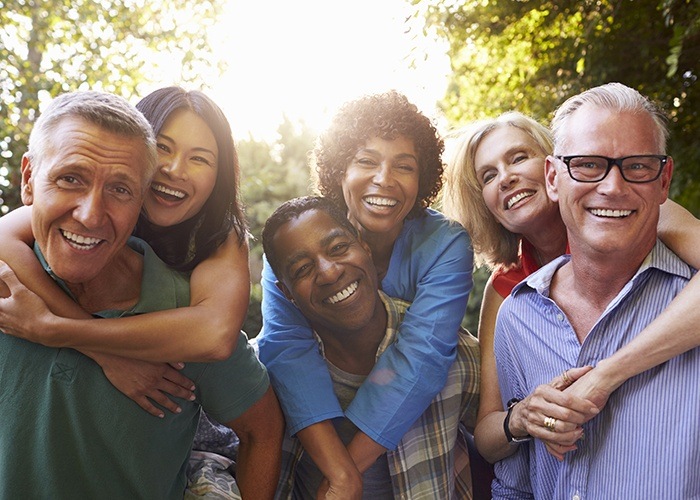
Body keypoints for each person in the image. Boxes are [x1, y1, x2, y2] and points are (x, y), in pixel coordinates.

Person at [0, 91, 283, 498]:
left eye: (120, 188)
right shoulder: (25, 261)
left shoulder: (214, 251)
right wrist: (99, 350)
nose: (174, 169)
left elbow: (217, 338)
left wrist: (53, 329)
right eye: (71, 179)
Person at [442, 109, 700, 464]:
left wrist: (606, 375)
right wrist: (522, 417)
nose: (505, 178)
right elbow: (487, 435)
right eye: (488, 175)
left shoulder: (628, 211)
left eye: (518, 158)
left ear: (554, 169)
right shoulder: (506, 291)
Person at [256, 91, 474, 493]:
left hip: (410, 439)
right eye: (366, 161)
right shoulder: (293, 241)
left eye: (404, 166)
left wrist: (344, 477)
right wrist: (337, 472)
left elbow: (422, 356)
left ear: (421, 178)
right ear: (340, 170)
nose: (384, 179)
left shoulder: (444, 244)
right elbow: (286, 349)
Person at [261, 196, 480, 499]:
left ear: (364, 246)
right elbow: (213, 455)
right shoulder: (262, 377)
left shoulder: (455, 355)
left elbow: (504, 443)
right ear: (286, 293)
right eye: (302, 269)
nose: (329, 272)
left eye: (338, 248)